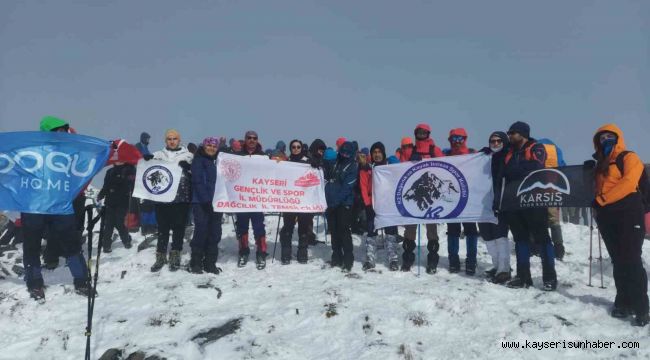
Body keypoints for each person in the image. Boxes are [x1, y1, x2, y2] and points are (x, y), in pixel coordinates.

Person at [21, 116, 92, 300]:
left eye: (64, 131)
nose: (62, 134)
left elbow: (85, 165)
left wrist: (107, 150)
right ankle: (34, 284)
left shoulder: (68, 153)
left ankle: (82, 280)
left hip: (60, 206)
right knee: (32, 246)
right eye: (58, 131)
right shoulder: (30, 152)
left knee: (72, 243)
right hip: (34, 207)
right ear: (47, 132)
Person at [590, 124, 648, 326]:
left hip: (629, 212)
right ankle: (623, 302)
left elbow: (629, 182)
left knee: (631, 259)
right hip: (607, 216)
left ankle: (642, 308)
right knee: (618, 260)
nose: (606, 139)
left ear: (618, 138)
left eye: (609, 136)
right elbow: (597, 190)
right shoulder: (600, 163)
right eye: (602, 137)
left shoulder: (629, 157)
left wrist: (603, 199)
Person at [502, 121, 557, 290]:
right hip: (514, 200)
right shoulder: (509, 152)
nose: (509, 135)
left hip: (534, 200)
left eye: (513, 133)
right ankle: (523, 276)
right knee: (520, 239)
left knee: (542, 238)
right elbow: (504, 170)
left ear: (523, 134)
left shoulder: (536, 147)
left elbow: (536, 167)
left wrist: (515, 170)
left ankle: (549, 277)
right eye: (509, 133)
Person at [148, 129, 193, 272]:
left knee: (179, 228)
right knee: (163, 228)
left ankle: (175, 256)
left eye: (174, 139)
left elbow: (196, 172)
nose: (172, 141)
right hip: (162, 199)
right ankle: (160, 257)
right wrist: (146, 160)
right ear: (165, 141)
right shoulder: (158, 154)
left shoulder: (188, 155)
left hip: (181, 198)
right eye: (169, 139)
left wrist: (189, 168)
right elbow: (146, 170)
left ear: (179, 140)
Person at [402, 123, 444, 273]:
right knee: (410, 230)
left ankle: (432, 261)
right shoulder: (409, 151)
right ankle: (407, 259)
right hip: (414, 194)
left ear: (428, 133)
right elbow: (400, 171)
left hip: (431, 195)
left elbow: (445, 167)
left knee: (432, 230)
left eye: (424, 132)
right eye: (418, 132)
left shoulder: (435, 150)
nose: (421, 134)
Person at [443, 128, 479, 275]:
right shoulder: (446, 155)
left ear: (465, 139)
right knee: (452, 230)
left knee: (470, 230)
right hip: (451, 198)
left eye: (459, 138)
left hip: (469, 198)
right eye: (453, 139)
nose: (456, 142)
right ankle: (453, 260)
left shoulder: (473, 153)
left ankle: (471, 260)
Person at [359, 142, 400, 271]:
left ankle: (393, 258)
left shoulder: (389, 167)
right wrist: (367, 204)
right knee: (371, 232)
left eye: (379, 152)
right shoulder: (366, 168)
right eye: (374, 152)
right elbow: (363, 187)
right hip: (372, 204)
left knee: (390, 231)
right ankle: (370, 258)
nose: (377, 155)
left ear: (383, 153)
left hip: (387, 203)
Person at [478, 131, 511, 284]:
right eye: (492, 141)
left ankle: (504, 269)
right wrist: (479, 156)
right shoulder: (486, 158)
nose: (495, 143)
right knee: (487, 235)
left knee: (500, 236)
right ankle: (497, 265)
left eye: (499, 141)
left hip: (501, 202)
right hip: (483, 203)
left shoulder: (509, 156)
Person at [189, 137, 223, 274]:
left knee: (215, 233)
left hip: (217, 203)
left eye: (214, 146)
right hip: (201, 202)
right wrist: (206, 200)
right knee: (201, 231)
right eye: (208, 146)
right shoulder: (198, 160)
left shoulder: (219, 162)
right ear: (203, 146)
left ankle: (210, 262)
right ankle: (196, 262)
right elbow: (197, 182)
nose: (211, 148)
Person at [236, 130, 269, 270]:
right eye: (249, 138)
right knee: (242, 226)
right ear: (245, 139)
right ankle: (243, 251)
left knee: (259, 227)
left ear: (257, 140)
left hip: (256, 198)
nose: (251, 140)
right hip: (241, 198)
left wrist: (279, 163)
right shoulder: (237, 156)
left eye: (254, 138)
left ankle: (261, 252)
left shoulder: (263, 157)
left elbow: (273, 172)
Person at [324, 141, 358, 271]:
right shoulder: (335, 163)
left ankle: (348, 259)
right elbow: (327, 175)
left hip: (344, 203)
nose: (344, 155)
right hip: (331, 203)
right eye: (342, 152)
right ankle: (336, 256)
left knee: (343, 230)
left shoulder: (352, 166)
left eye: (346, 153)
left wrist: (335, 201)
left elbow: (347, 187)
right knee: (333, 230)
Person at [279, 140, 313, 264]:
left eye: (298, 147)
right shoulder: (286, 162)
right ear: (290, 148)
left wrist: (316, 164)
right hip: (290, 201)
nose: (296, 149)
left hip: (304, 200)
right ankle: (286, 253)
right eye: (293, 147)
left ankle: (302, 252)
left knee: (303, 228)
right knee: (288, 227)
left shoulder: (307, 161)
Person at [97, 161, 136, 252]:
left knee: (120, 223)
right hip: (109, 202)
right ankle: (106, 246)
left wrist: (128, 176)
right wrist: (101, 195)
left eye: (120, 159)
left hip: (123, 202)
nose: (118, 161)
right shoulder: (109, 171)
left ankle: (126, 241)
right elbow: (105, 186)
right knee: (108, 224)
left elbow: (131, 185)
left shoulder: (129, 170)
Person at [537, 138, 567, 260]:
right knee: (553, 219)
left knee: (536, 217)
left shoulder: (534, 149)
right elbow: (563, 167)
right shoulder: (556, 150)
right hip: (552, 188)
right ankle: (559, 247)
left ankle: (536, 245)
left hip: (536, 189)